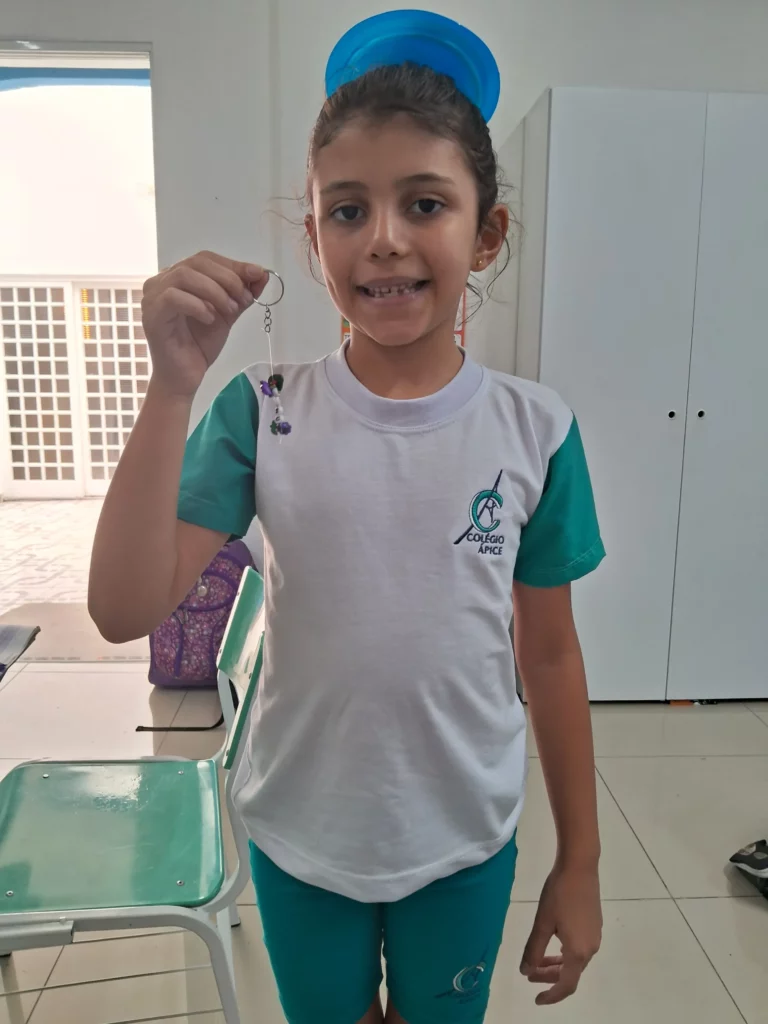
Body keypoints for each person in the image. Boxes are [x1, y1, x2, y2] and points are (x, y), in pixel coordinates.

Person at [89, 55, 604, 1024]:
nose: (384, 239)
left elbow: (550, 653)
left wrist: (581, 859)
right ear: (314, 238)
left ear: (486, 234)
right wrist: (172, 386)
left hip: (461, 832)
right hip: (302, 830)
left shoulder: (536, 429)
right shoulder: (263, 409)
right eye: (348, 210)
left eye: (425, 204)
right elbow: (121, 609)